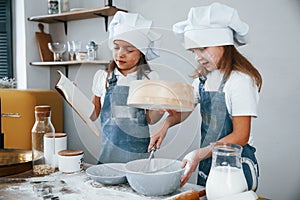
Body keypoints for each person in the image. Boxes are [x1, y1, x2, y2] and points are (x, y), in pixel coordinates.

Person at [148, 2, 262, 190]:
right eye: (193, 51)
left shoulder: (240, 81)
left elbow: (241, 136)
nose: (198, 57)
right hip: (209, 159)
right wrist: (165, 125)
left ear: (224, 44)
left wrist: (199, 154)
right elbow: (184, 111)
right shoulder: (202, 80)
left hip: (236, 166)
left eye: (203, 48)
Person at [91, 11, 164, 164]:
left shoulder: (149, 78)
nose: (121, 54)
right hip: (109, 154)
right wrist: (73, 97)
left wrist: (160, 110)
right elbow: (93, 115)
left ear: (141, 53)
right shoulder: (102, 77)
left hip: (138, 156)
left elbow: (150, 119)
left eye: (129, 50)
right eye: (116, 47)